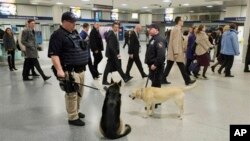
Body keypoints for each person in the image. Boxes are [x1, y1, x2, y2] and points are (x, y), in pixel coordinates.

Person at [48, 12, 89, 126]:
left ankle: (76, 111)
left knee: (80, 93)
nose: (74, 24)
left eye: (75, 22)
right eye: (72, 22)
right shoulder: (58, 35)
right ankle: (72, 117)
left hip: (81, 70)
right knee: (71, 94)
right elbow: (54, 54)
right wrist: (59, 70)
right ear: (65, 22)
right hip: (69, 71)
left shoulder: (75, 33)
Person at [162, 16, 196, 85]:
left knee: (169, 66)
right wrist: (176, 52)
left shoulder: (176, 29)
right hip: (176, 52)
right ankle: (187, 80)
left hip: (173, 52)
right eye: (182, 21)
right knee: (181, 66)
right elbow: (175, 42)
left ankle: (162, 79)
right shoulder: (177, 29)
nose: (183, 22)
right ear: (179, 21)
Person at [145, 23, 166, 88]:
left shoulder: (159, 39)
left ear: (156, 30)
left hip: (156, 67)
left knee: (156, 87)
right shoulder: (153, 39)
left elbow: (161, 54)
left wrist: (155, 64)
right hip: (152, 67)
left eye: (151, 29)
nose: (149, 30)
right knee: (154, 84)